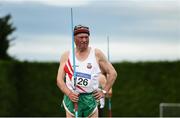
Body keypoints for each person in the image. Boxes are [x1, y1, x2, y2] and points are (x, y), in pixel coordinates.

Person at [56, 25, 117, 117]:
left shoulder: (96, 53)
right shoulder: (67, 55)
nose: (84, 40)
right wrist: (69, 93)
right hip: (73, 99)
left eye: (86, 37)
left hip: (90, 99)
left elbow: (113, 73)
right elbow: (59, 80)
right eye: (81, 37)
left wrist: (104, 92)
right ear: (74, 38)